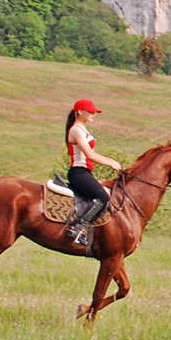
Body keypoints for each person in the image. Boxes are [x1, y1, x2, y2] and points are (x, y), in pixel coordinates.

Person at [64, 99, 122, 246]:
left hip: (85, 172)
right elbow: (90, 155)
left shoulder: (83, 129)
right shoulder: (76, 130)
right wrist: (111, 162)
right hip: (78, 173)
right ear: (79, 112)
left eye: (94, 112)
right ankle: (77, 229)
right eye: (90, 111)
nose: (93, 114)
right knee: (102, 197)